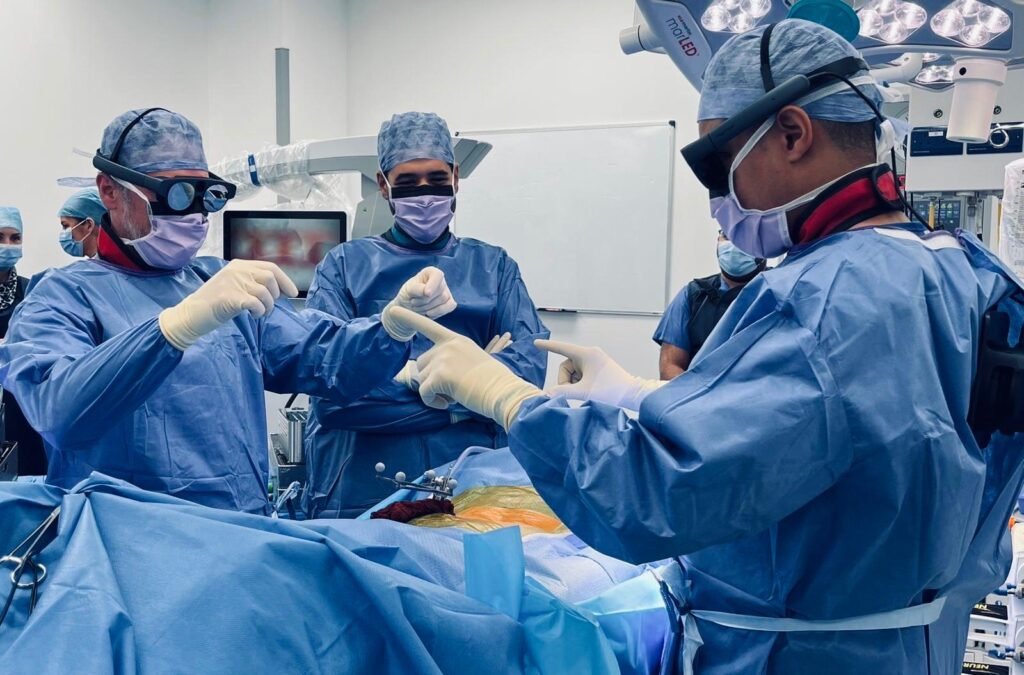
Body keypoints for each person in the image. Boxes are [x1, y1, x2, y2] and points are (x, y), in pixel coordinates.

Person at [385, 20, 1024, 674]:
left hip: (796, 656)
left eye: (716, 166)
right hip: (917, 647)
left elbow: (656, 495)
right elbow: (849, 436)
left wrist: (507, 397)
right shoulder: (964, 269)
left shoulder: (822, 295)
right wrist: (637, 393)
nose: (718, 203)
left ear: (794, 134)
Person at [0, 107, 453, 514]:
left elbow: (324, 358)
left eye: (206, 196)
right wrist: (174, 329)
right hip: (125, 557)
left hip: (239, 543)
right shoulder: (59, 298)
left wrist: (389, 327)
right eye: (177, 195)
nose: (196, 216)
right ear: (110, 191)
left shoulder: (216, 283)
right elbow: (60, 412)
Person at [303, 111, 549, 518]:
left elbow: (524, 378)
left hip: (474, 485)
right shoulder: (344, 267)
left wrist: (402, 384)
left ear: (455, 176)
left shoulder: (494, 267)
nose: (424, 195)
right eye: (407, 183)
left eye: (436, 180)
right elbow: (334, 396)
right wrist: (469, 390)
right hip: (366, 487)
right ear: (383, 185)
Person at [654, 232, 765, 377]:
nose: (734, 246)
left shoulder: (778, 293)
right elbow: (670, 366)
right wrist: (700, 398)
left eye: (745, 238)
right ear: (718, 240)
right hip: (697, 395)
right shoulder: (693, 295)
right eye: (727, 236)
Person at [0, 207, 46, 476]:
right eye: (0, 237)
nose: (8, 245)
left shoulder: (33, 290)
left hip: (21, 404)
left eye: (15, 238)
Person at [58, 188, 106, 258]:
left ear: (89, 225)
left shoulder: (113, 265)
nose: (63, 235)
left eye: (66, 225)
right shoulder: (98, 266)